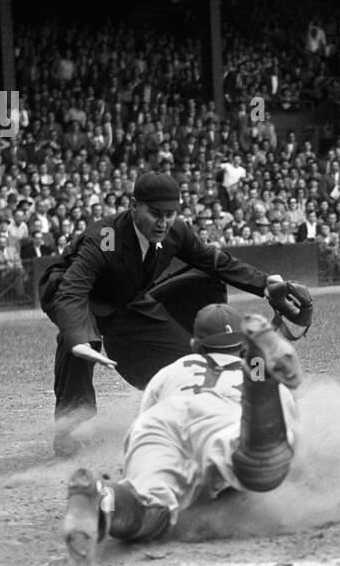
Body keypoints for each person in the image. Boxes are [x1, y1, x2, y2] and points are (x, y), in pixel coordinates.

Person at [39, 171, 313, 459]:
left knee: (188, 357)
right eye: (155, 213)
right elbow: (74, 287)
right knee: (79, 343)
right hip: (76, 292)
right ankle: (70, 428)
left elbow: (214, 260)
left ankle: (202, 412)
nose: (163, 222)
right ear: (134, 206)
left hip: (128, 299)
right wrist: (77, 336)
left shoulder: (176, 231)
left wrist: (264, 285)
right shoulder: (106, 238)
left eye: (170, 214)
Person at [62, 304, 302, 564]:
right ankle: (261, 383)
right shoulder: (248, 369)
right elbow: (289, 441)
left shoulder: (171, 371)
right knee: (260, 461)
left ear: (195, 346)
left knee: (146, 505)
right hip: (222, 420)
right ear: (242, 346)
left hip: (160, 423)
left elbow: (143, 425)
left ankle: (101, 496)